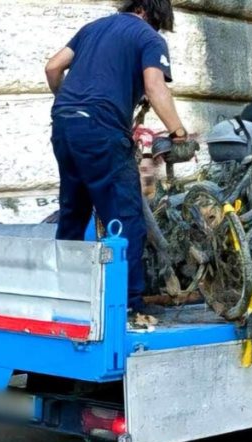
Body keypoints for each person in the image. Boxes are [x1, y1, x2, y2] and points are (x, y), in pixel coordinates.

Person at [45, 0, 191, 325]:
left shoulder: (92, 28)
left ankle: (67, 298)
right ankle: (127, 305)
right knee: (125, 217)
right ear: (153, 14)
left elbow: (53, 68)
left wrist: (68, 101)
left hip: (65, 124)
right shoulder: (148, 37)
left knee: (73, 214)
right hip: (102, 129)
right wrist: (178, 132)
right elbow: (155, 86)